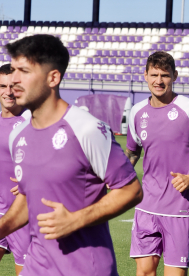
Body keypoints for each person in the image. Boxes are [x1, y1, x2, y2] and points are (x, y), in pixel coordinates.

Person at [1, 34, 143, 276]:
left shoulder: (86, 128)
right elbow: (27, 198)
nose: (14, 80)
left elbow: (131, 190)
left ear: (53, 77)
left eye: (23, 71)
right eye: (13, 70)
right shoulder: (19, 135)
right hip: (36, 267)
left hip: (85, 268)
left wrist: (75, 220)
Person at [126, 51, 189, 276]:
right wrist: (118, 176)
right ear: (145, 76)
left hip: (180, 208)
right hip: (146, 205)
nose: (159, 81)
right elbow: (133, 153)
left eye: (165, 75)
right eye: (154, 75)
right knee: (144, 272)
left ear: (175, 76)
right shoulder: (137, 112)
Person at [0, 63, 31, 275]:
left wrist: (29, 182)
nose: (8, 92)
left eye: (13, 86)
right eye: (2, 86)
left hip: (24, 214)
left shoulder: (32, 121)